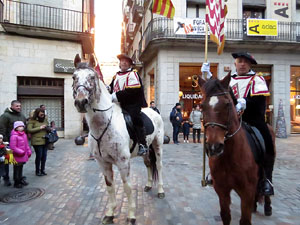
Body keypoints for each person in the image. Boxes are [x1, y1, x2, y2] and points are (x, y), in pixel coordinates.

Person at [230, 52, 275, 196]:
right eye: (239, 61)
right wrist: (209, 77)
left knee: (267, 141)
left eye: (245, 61)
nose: (242, 64)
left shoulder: (257, 79)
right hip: (234, 121)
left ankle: (267, 179)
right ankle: (216, 173)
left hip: (253, 120)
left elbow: (260, 102)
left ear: (250, 64)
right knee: (215, 139)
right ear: (235, 64)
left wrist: (246, 103)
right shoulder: (230, 80)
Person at [109, 54, 148, 156]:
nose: (124, 63)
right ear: (120, 63)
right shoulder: (116, 76)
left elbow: (132, 90)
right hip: (117, 104)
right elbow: (111, 87)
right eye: (122, 61)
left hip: (132, 104)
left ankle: (142, 144)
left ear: (130, 64)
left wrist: (115, 96)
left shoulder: (133, 74)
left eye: (126, 61)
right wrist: (107, 89)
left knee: (135, 118)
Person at [0, 100, 26, 186]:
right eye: (17, 106)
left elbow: (24, 127)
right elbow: (2, 129)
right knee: (7, 161)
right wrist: (5, 141)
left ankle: (19, 178)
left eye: (20, 106)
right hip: (8, 143)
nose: (19, 107)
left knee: (18, 162)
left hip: (19, 144)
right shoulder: (5, 116)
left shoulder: (21, 115)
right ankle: (6, 178)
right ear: (12, 106)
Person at [27, 108, 49, 176]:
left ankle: (42, 170)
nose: (42, 114)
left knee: (44, 156)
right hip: (37, 141)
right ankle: (37, 171)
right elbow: (29, 130)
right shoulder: (32, 121)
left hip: (45, 140)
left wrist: (48, 128)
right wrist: (40, 128)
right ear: (37, 113)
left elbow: (47, 127)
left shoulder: (45, 120)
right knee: (39, 156)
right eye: (41, 113)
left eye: (43, 113)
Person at [10, 121, 31, 188]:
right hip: (17, 156)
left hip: (23, 155)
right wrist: (20, 152)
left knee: (21, 167)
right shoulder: (14, 136)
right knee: (16, 168)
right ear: (16, 127)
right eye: (19, 126)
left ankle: (20, 179)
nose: (21, 128)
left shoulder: (24, 135)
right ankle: (16, 181)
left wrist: (28, 151)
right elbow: (13, 147)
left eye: (22, 126)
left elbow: (26, 144)